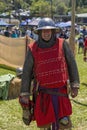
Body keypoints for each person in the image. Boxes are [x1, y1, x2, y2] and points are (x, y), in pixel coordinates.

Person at [19, 18, 80, 130]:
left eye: (49, 31)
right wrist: (25, 94)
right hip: (43, 95)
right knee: (45, 126)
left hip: (61, 93)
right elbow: (27, 73)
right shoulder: (33, 49)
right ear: (40, 32)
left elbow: (72, 64)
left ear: (53, 32)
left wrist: (74, 85)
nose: (46, 33)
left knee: (64, 123)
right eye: (43, 31)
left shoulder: (62, 44)